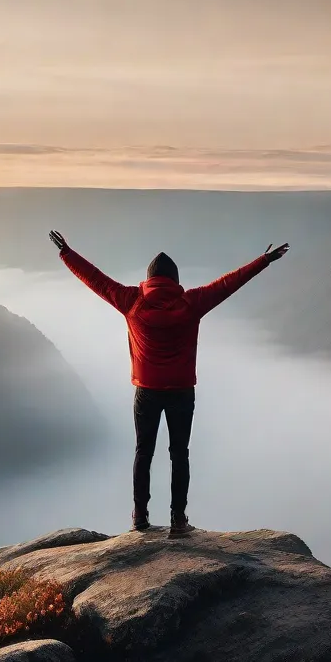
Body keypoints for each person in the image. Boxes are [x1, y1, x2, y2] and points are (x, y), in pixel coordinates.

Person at [49, 230, 290, 538]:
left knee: (143, 452)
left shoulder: (130, 301)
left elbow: (96, 279)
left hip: (146, 392)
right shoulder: (192, 302)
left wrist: (67, 254)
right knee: (180, 453)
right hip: (181, 392)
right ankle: (178, 520)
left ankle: (140, 517)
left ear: (148, 280)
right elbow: (230, 283)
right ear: (175, 280)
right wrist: (264, 260)